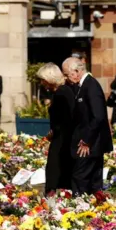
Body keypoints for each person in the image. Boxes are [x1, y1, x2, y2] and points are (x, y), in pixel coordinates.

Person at [62, 57, 113, 198]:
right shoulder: (82, 86)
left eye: (67, 74)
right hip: (89, 143)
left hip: (89, 145)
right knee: (92, 184)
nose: (66, 78)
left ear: (77, 71)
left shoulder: (91, 86)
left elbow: (98, 116)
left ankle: (79, 208)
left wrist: (86, 140)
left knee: (80, 179)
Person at [37, 63, 75, 195]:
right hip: (61, 135)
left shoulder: (62, 92)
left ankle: (52, 196)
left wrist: (55, 130)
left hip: (63, 138)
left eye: (43, 80)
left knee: (54, 166)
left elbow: (68, 117)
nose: (42, 83)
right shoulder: (61, 91)